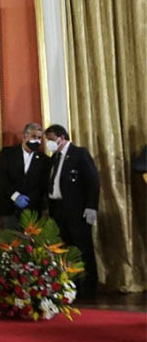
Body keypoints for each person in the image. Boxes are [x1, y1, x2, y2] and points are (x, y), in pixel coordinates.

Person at [45, 124, 100, 298]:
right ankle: (72, 284)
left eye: (51, 139)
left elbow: (93, 181)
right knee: (65, 247)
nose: (49, 143)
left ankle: (89, 286)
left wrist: (91, 206)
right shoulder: (54, 157)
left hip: (77, 210)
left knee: (82, 247)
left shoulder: (79, 153)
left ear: (61, 137)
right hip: (59, 209)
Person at [0, 123, 50, 230]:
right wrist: (15, 196)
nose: (37, 141)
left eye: (39, 138)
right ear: (25, 136)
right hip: (9, 208)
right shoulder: (8, 153)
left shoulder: (44, 160)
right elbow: (2, 178)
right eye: (34, 137)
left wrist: (31, 200)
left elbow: (43, 184)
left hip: (32, 210)